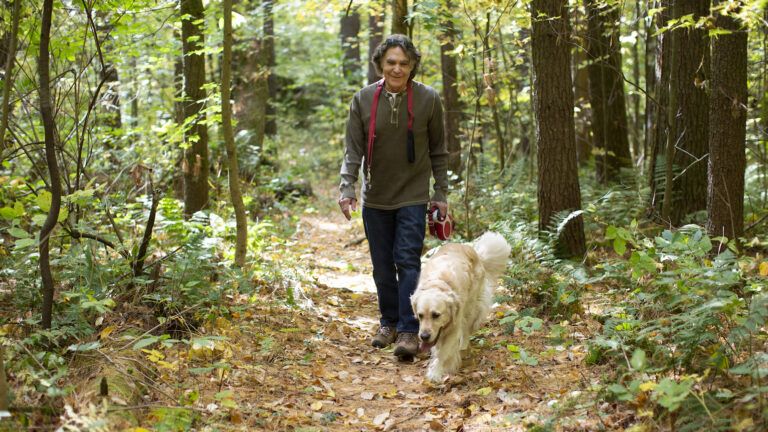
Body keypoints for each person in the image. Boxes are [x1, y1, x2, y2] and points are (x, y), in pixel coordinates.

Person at [338, 34, 449, 359]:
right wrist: (347, 187)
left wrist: (440, 193)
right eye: (391, 63)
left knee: (408, 261)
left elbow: (439, 151)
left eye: (404, 63)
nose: (397, 69)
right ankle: (387, 323)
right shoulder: (362, 100)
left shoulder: (429, 99)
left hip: (413, 195)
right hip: (376, 197)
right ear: (380, 65)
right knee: (382, 267)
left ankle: (408, 330)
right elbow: (353, 150)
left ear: (412, 65)